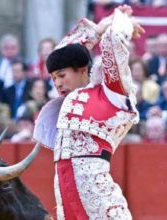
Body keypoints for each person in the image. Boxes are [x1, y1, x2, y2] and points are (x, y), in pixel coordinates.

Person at [33, 5, 145, 219]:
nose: (57, 83)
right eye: (54, 77)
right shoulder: (70, 97)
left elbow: (114, 42)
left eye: (62, 75)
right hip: (65, 193)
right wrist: (100, 27)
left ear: (83, 70)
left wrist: (122, 22)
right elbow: (62, 53)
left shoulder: (111, 92)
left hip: (98, 197)